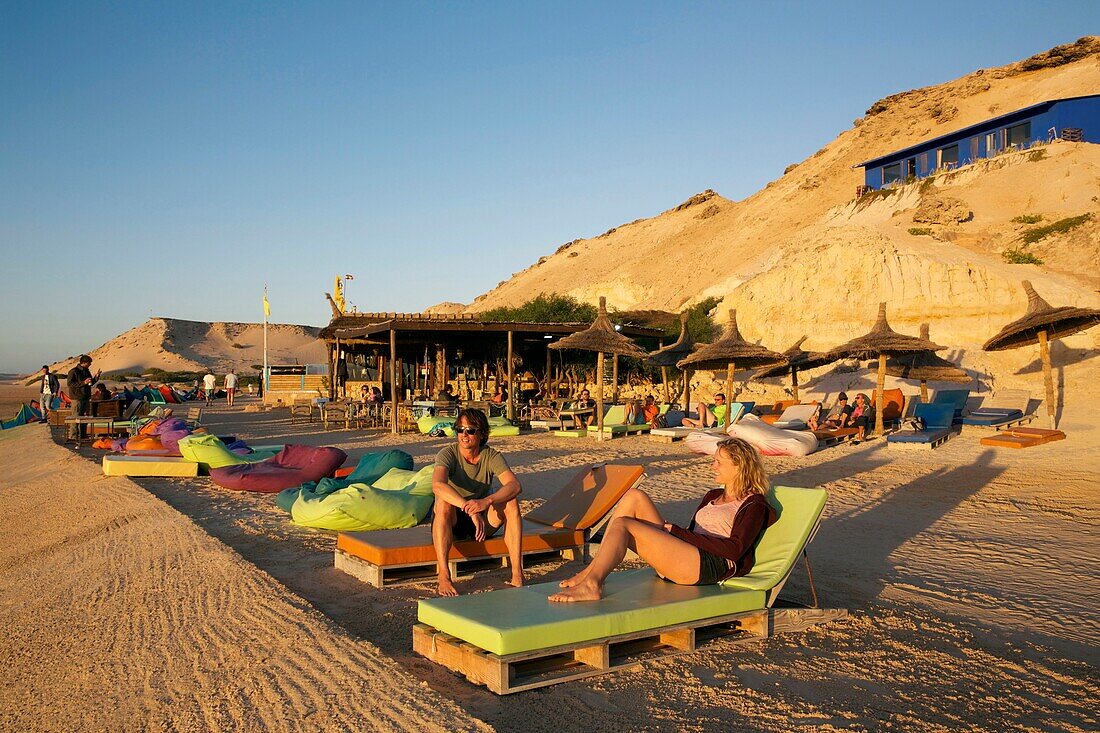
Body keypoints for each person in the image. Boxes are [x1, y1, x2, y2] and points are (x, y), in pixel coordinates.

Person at [549, 437, 776, 602]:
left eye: (719, 462)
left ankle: (592, 584)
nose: (712, 466)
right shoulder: (713, 496)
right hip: (686, 556)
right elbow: (693, 533)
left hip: (709, 566)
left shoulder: (753, 504)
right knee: (633, 497)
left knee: (623, 524)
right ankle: (591, 572)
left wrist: (677, 533)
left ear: (739, 467)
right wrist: (677, 535)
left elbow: (736, 550)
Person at [431, 408, 524, 596]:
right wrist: (469, 509)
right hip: (454, 519)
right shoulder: (448, 453)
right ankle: (444, 576)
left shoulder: (491, 456)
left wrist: (486, 501)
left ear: (481, 434)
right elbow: (437, 485)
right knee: (442, 502)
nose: (464, 435)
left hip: (482, 520)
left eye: (471, 430)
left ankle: (517, 573)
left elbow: (514, 485)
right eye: (460, 429)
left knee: (511, 501)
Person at [66, 355, 100, 440]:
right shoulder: (74, 371)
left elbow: (90, 383)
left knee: (84, 418)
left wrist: (96, 378)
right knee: (76, 417)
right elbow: (70, 384)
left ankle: (83, 435)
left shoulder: (86, 371)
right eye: (89, 363)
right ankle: (73, 436)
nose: (90, 364)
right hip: (77, 398)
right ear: (84, 363)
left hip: (86, 397)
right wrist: (83, 382)